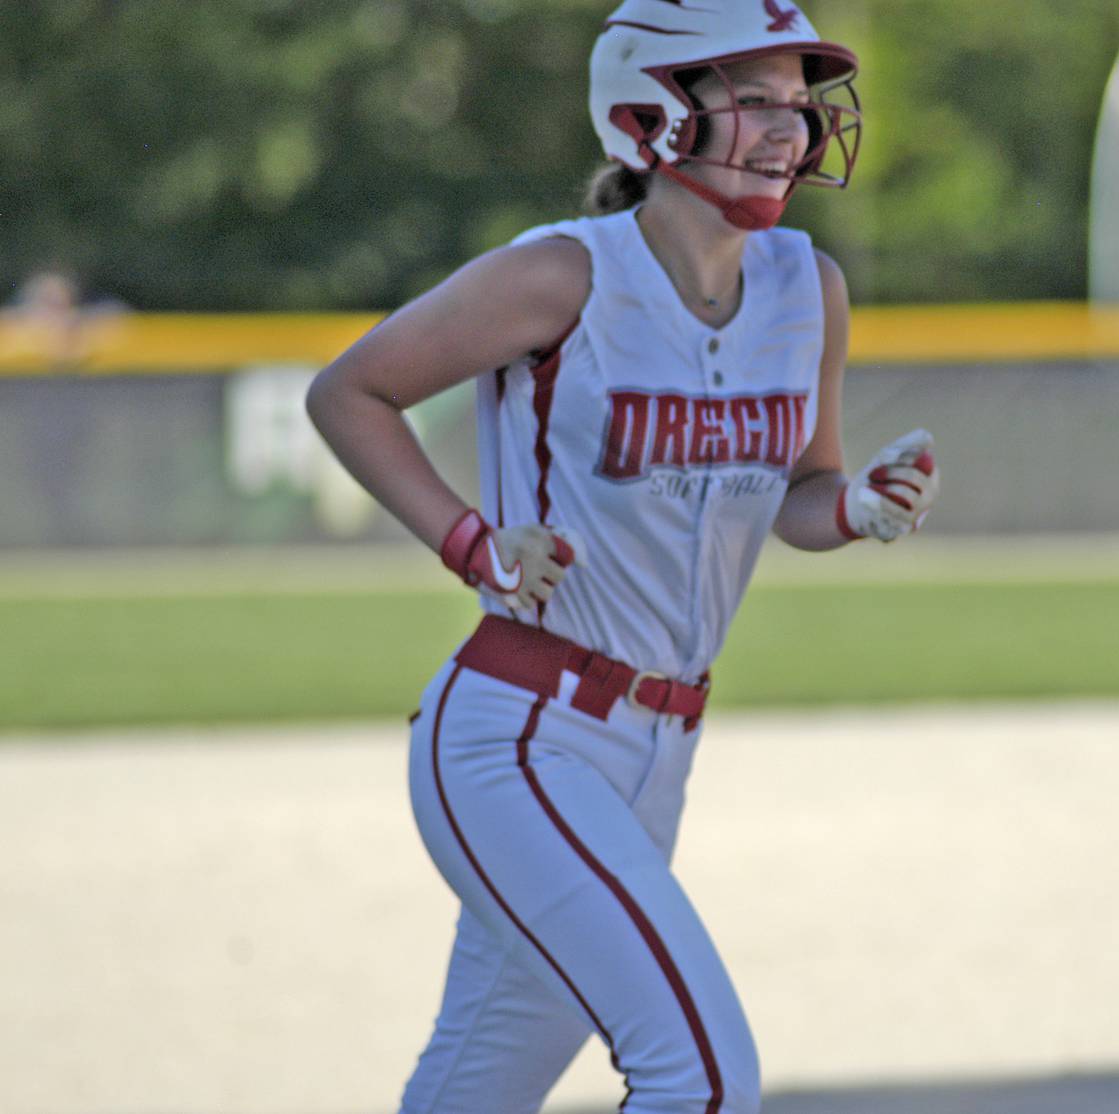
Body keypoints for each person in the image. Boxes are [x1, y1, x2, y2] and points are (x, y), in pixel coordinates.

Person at [306, 2, 939, 1111]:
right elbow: (348, 391)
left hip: (657, 751)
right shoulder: (563, 275)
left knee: (476, 1087)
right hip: (519, 738)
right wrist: (470, 541)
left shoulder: (807, 290)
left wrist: (858, 509)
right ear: (651, 111)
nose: (791, 127)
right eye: (753, 97)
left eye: (799, 100)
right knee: (700, 1075)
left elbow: (801, 491)